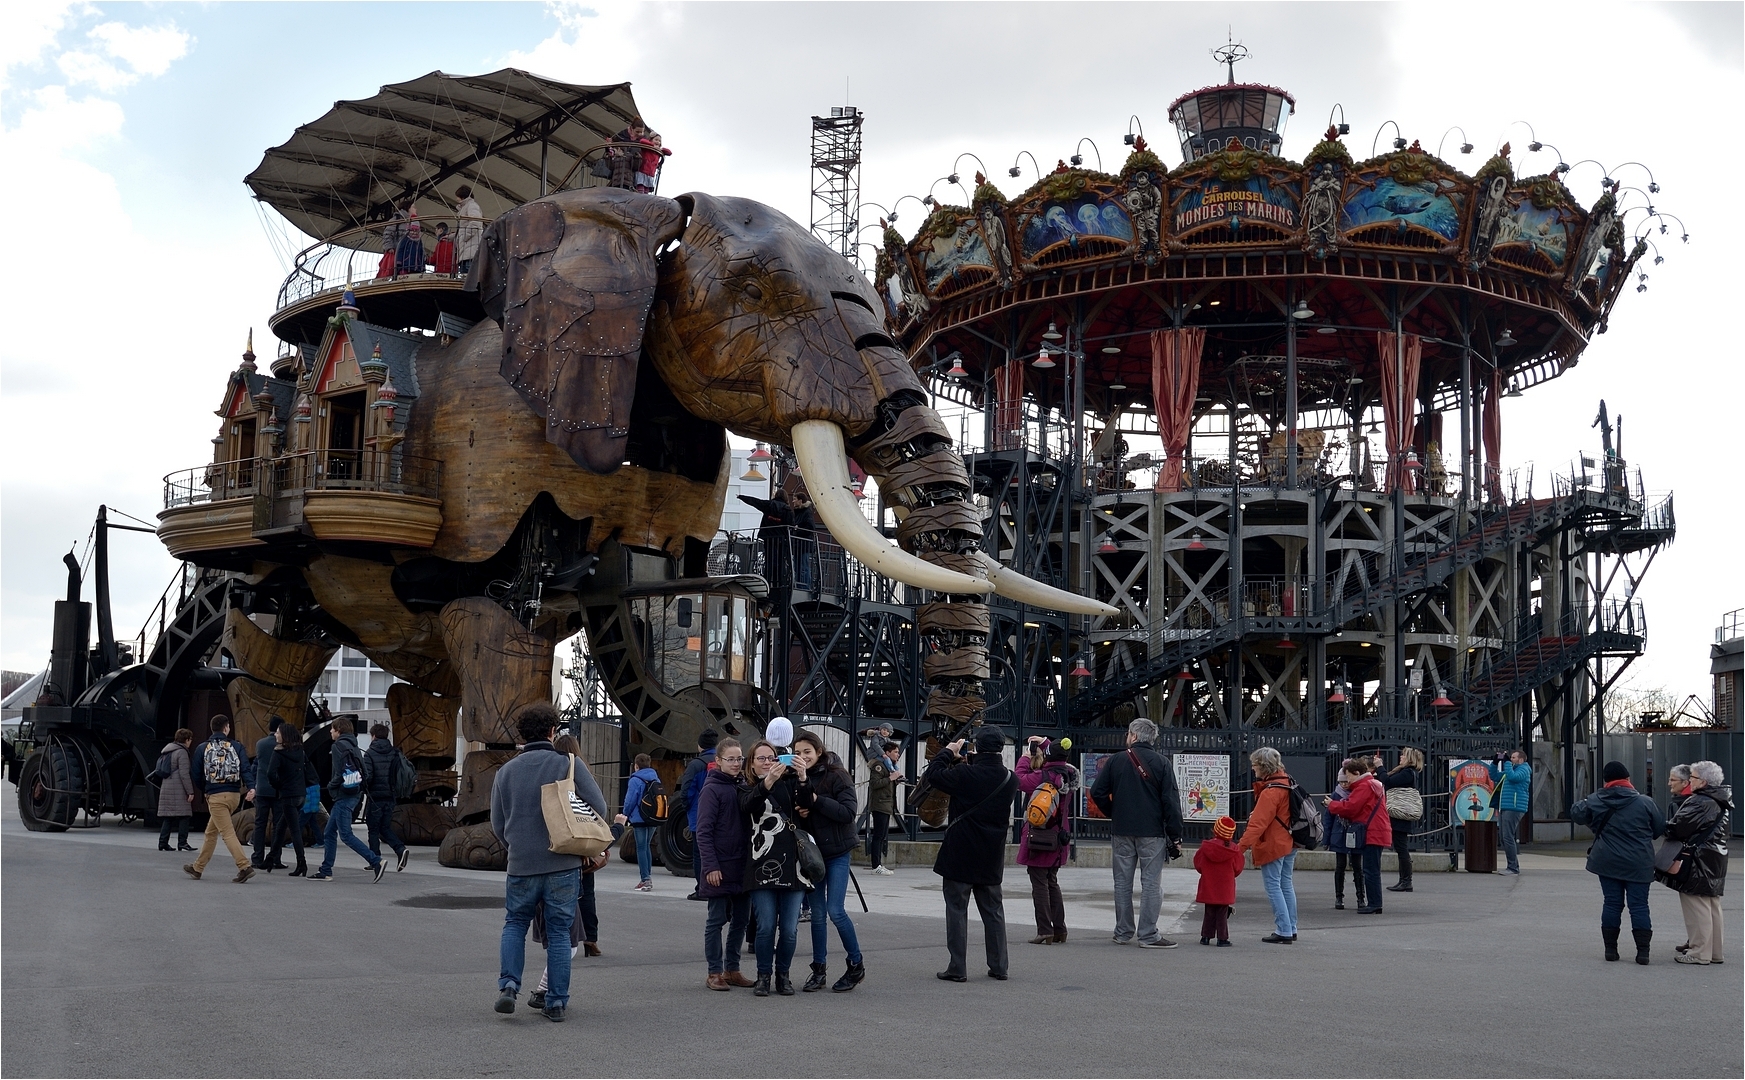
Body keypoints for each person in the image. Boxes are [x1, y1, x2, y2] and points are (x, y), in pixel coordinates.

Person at [490, 703, 608, 1021]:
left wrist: (517, 848)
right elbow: (599, 807)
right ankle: (555, 1002)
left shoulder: (505, 772)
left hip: (521, 864)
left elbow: (498, 824)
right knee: (558, 933)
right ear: (552, 731)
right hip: (562, 864)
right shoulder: (568, 764)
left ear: (522, 735)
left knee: (515, 924)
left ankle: (508, 986)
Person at [925, 726, 1017, 982]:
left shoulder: (965, 774)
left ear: (977, 746)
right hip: (991, 855)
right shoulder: (1010, 779)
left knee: (957, 910)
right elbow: (983, 781)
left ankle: (957, 967)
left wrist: (948, 751)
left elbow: (934, 775)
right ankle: (999, 966)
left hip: (961, 852)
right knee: (993, 912)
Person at [1088, 718, 1185, 948]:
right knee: (1151, 883)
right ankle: (1148, 935)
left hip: (1122, 830)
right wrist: (1175, 835)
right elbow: (1171, 801)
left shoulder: (1116, 760)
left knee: (1122, 883)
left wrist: (1114, 812)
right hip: (1152, 831)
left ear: (1133, 735)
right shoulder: (1162, 763)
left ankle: (1123, 932)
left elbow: (1097, 791)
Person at [1572, 760, 1666, 964]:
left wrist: (1591, 806)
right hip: (1639, 861)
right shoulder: (1645, 802)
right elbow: (1659, 828)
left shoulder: (1595, 800)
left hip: (1607, 861)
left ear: (1605, 781)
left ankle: (1610, 950)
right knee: (1639, 905)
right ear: (1628, 779)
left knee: (1612, 903)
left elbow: (1576, 813)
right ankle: (1643, 952)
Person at [792, 729, 865, 993]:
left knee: (835, 910)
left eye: (807, 752)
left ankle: (855, 964)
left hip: (837, 852)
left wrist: (815, 801)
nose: (803, 757)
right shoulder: (794, 778)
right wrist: (801, 812)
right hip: (813, 855)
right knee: (817, 915)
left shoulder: (837, 775)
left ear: (819, 752)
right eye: (797, 753)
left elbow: (848, 813)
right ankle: (818, 970)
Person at [741, 725, 808, 997]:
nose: (768, 762)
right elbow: (749, 806)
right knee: (766, 926)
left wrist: (802, 777)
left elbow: (807, 808)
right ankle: (763, 976)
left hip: (794, 865)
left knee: (789, 929)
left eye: (772, 758)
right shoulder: (746, 787)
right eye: (761, 758)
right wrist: (767, 782)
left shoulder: (790, 782)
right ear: (752, 763)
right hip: (761, 863)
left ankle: (783, 975)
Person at [695, 737, 755, 991]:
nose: (736, 763)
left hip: (742, 866)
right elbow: (703, 831)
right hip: (719, 866)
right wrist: (710, 866)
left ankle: (732, 969)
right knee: (716, 920)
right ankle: (714, 972)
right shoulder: (711, 789)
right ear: (718, 760)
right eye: (731, 759)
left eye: (739, 758)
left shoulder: (744, 785)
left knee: (741, 920)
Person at [1663, 760, 1730, 966]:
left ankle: (1699, 952)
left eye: (1692, 777)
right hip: (1716, 858)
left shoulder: (1699, 801)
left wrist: (1662, 825)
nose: (1689, 780)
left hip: (1698, 860)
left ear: (1703, 781)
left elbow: (1677, 828)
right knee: (1712, 905)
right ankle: (1715, 951)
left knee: (1696, 905)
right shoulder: (1720, 800)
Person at [1016, 735, 1076, 945]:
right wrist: (1044, 742)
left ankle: (1044, 930)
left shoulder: (1042, 777)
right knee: (1052, 881)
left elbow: (1018, 779)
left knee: (1039, 883)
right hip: (1060, 836)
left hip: (1040, 837)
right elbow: (1057, 754)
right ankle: (1060, 929)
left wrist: (1025, 758)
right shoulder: (1068, 774)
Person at [184, 715, 257, 883]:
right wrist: (251, 787)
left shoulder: (203, 748)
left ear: (212, 728)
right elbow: (245, 768)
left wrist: (206, 789)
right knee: (211, 832)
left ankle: (244, 866)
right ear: (226, 728)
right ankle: (197, 868)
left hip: (216, 796)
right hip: (234, 795)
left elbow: (196, 773)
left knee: (227, 833)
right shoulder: (236, 746)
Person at [1238, 746, 1298, 943]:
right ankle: (1291, 927)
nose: (1253, 768)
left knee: (1273, 886)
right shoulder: (1287, 781)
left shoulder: (1271, 791)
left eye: (1255, 764)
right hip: (1290, 840)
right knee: (1286, 884)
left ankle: (1283, 930)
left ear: (1263, 766)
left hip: (1274, 843)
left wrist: (1240, 848)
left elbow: (1257, 824)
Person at [314, 719, 385, 883]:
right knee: (329, 832)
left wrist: (331, 786)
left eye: (332, 729)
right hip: (354, 793)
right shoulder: (354, 745)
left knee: (346, 835)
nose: (330, 732)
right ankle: (325, 870)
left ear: (338, 730)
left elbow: (339, 773)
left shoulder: (338, 746)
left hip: (343, 796)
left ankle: (376, 861)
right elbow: (365, 772)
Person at [1328, 757, 1392, 915]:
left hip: (1372, 832)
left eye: (1349, 775)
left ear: (1357, 773)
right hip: (1378, 830)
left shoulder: (1364, 786)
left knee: (1370, 870)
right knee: (1372, 869)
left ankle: (1375, 904)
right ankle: (1375, 902)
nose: (1348, 780)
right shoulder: (1373, 784)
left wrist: (1331, 804)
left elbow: (1350, 808)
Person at [676, 729, 720, 901]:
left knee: (699, 853)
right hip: (720, 816)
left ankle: (702, 889)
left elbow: (686, 791)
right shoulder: (722, 761)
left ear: (700, 745)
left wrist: (687, 808)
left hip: (698, 815)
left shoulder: (696, 764)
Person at [264, 722, 312, 877]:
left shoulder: (278, 752)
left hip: (288, 795)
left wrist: (279, 785)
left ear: (284, 736)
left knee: (294, 830)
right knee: (280, 827)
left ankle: (301, 863)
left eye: (278, 733)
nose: (275, 735)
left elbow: (270, 774)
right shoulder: (300, 751)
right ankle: (271, 858)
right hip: (300, 794)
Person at [362, 724, 409, 872]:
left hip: (375, 798)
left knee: (373, 830)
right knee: (385, 827)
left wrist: (362, 786)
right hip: (390, 796)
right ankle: (400, 849)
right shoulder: (395, 752)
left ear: (374, 736)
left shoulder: (370, 753)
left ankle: (376, 860)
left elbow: (368, 776)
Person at [1193, 816, 1243, 946]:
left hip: (1208, 884)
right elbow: (1238, 868)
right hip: (1225, 887)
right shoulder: (1234, 850)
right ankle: (1222, 938)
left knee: (1209, 911)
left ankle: (1205, 936)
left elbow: (1198, 865)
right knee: (1222, 913)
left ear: (1215, 830)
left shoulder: (1206, 847)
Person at [1380, 747, 1423, 892]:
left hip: (1400, 814)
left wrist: (1380, 767)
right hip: (1401, 814)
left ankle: (1406, 881)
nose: (1401, 757)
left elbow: (1387, 781)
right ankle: (1403, 880)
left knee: (1401, 848)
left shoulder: (1407, 773)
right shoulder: (1409, 772)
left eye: (1404, 755)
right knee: (1400, 848)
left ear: (1409, 758)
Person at [617, 753, 662, 892]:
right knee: (646, 846)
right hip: (653, 817)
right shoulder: (655, 778)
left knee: (641, 847)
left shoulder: (635, 780)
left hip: (639, 817)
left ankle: (645, 879)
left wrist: (625, 814)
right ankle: (648, 876)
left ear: (636, 766)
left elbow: (630, 800)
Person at [1325, 763, 1366, 911]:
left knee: (1357, 867)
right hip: (1339, 835)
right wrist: (1326, 839)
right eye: (1341, 782)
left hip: (1355, 834)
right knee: (1340, 866)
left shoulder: (1356, 793)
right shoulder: (1335, 794)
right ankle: (1339, 897)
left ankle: (1361, 897)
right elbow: (1328, 818)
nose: (1344, 784)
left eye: (1346, 781)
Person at [248, 716, 284, 869]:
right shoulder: (283, 745)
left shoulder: (260, 744)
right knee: (278, 825)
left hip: (262, 789)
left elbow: (256, 766)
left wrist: (253, 786)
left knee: (260, 824)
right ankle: (275, 859)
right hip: (278, 790)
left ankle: (257, 858)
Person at [1490, 748, 1532, 875]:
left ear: (1521, 759)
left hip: (1515, 807)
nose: (1511, 759)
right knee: (1504, 837)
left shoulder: (1524, 769)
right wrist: (1495, 763)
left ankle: (1513, 867)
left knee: (1508, 836)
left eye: (1513, 757)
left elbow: (1513, 778)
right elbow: (1494, 776)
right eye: (1510, 757)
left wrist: (1507, 762)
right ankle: (1512, 866)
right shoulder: (1511, 770)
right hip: (1506, 806)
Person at [155, 728, 196, 852]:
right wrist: (190, 791)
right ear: (186, 740)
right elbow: (184, 774)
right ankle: (182, 843)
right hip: (178, 788)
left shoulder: (167, 750)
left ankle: (162, 843)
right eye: (190, 739)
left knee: (168, 817)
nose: (191, 742)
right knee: (185, 815)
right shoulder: (182, 752)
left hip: (167, 786)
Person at [866, 740, 902, 874]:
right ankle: (876, 866)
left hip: (887, 805)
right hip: (880, 805)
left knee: (882, 836)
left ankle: (879, 864)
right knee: (878, 835)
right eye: (895, 752)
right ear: (887, 752)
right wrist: (890, 779)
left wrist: (895, 780)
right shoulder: (879, 766)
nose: (898, 755)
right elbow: (874, 784)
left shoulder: (890, 767)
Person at [454, 185, 484, 276]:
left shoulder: (471, 205)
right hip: (466, 250)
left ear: (462, 196)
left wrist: (465, 237)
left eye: (457, 196)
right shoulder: (466, 207)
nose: (456, 198)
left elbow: (475, 222)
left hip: (470, 249)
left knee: (470, 276)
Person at [394, 204, 426, 277]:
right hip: (405, 265)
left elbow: (421, 252)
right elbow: (400, 250)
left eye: (416, 231)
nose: (414, 232)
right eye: (412, 230)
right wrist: (399, 262)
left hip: (417, 266)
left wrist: (422, 265)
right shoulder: (405, 239)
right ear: (409, 230)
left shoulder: (419, 241)